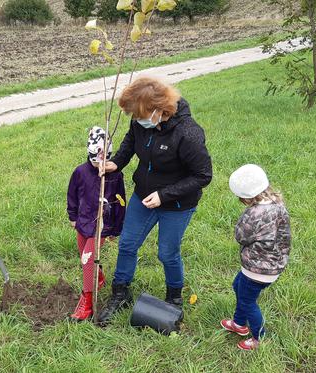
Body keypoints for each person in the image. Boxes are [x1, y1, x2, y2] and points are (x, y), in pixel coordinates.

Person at [97, 77, 212, 325]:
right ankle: (121, 292)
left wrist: (164, 195)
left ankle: (173, 299)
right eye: (134, 117)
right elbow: (131, 140)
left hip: (177, 205)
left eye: (140, 116)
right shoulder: (142, 119)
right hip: (143, 195)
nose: (137, 121)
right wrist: (117, 161)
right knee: (127, 244)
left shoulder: (188, 134)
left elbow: (203, 175)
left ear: (159, 109)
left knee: (167, 253)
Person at [220, 164, 291, 350]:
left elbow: (241, 236)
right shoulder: (278, 204)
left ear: (245, 197)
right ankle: (239, 324)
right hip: (274, 263)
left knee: (248, 301)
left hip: (257, 269)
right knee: (238, 286)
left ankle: (259, 338)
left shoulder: (253, 214)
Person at [67, 126, 126, 321]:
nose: (98, 165)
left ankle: (87, 303)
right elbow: (73, 195)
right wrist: (73, 217)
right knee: (84, 256)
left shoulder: (115, 175)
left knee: (87, 259)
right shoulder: (80, 172)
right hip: (83, 222)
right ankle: (97, 276)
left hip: (101, 227)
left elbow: (119, 201)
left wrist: (115, 228)